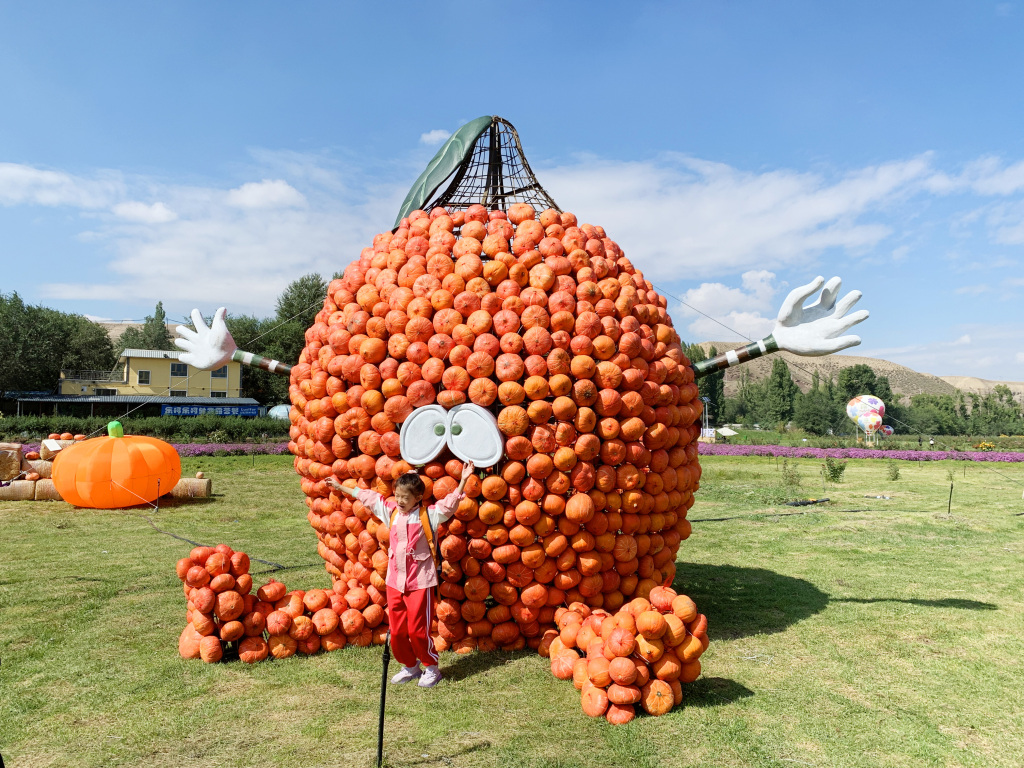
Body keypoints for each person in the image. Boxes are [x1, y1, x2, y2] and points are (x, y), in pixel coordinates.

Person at [327, 461, 474, 687]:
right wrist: (341, 487)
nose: (401, 501)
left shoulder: (429, 516)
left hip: (420, 582)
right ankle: (410, 666)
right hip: (395, 581)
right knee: (396, 632)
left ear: (417, 498)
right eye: (397, 496)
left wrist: (463, 479)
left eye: (405, 497)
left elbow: (450, 504)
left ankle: (431, 667)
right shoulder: (391, 513)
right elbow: (368, 497)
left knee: (417, 631)